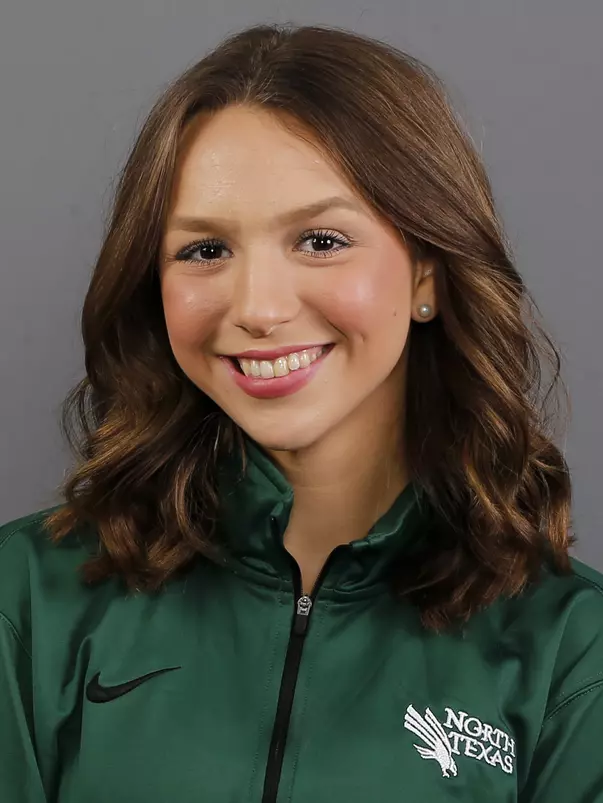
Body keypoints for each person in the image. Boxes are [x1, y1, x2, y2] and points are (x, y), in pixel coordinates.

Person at [0, 21, 601, 803]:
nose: (257, 308)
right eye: (204, 250)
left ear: (427, 272)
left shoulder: (569, 647)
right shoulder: (24, 600)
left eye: (320, 240)